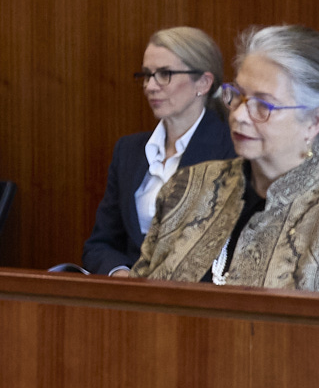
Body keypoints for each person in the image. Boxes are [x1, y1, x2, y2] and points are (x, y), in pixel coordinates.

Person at [132, 27, 319, 295]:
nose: (239, 115)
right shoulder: (187, 186)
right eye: (237, 96)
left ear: (314, 121)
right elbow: (135, 298)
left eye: (263, 105)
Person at [80, 28, 234, 275]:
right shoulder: (128, 151)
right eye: (147, 75)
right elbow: (100, 244)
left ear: (203, 83)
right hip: (131, 298)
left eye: (165, 74)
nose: (150, 86)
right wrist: (120, 273)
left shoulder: (231, 150)